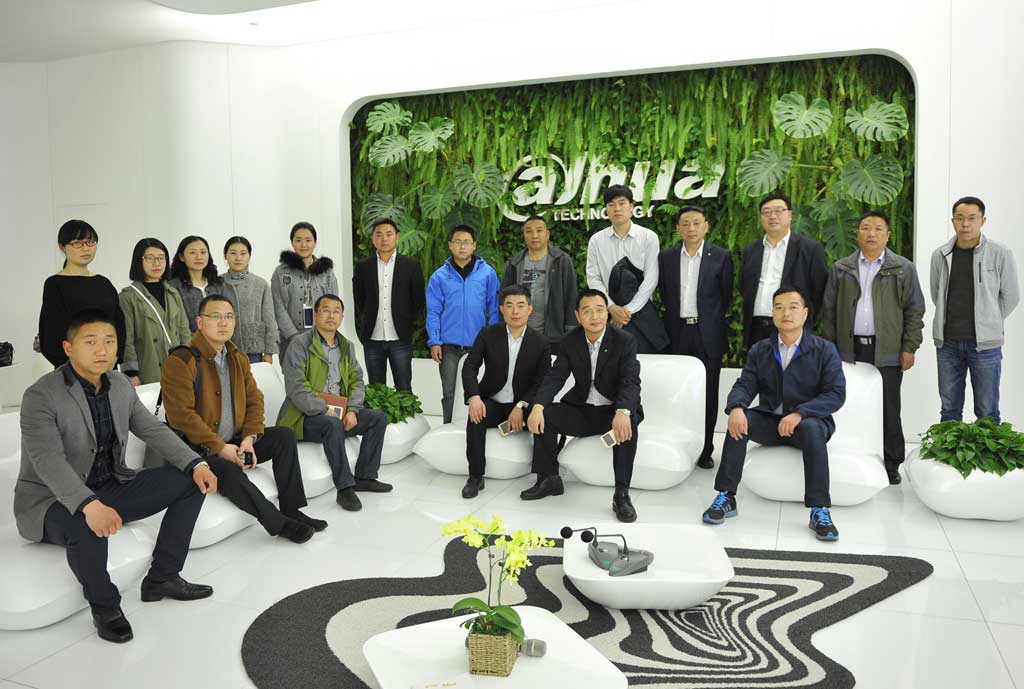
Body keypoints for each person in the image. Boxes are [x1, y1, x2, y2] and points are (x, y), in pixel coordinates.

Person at [15, 310, 218, 644]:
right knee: (84, 523)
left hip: (111, 485)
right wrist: (87, 504)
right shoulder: (41, 395)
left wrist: (195, 463)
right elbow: (47, 460)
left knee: (188, 481)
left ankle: (163, 577)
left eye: (109, 341)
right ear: (68, 348)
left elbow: (152, 429)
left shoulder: (120, 384)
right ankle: (106, 607)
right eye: (91, 342)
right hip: (50, 500)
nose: (102, 350)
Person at [160, 294, 327, 543]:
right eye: (215, 316)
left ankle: (292, 509)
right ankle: (279, 524)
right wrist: (220, 447)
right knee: (227, 470)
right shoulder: (181, 360)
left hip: (235, 440)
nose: (223, 322)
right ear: (200, 322)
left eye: (229, 317)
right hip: (197, 449)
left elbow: (254, 399)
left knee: (283, 436)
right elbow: (181, 416)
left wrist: (249, 438)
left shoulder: (237, 357)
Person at [702, 287, 846, 541]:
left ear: (805, 313)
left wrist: (800, 413)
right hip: (772, 421)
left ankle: (819, 509)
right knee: (740, 421)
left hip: (808, 424)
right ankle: (726, 496)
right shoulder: (761, 349)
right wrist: (736, 407)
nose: (786, 313)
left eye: (793, 307)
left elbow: (836, 393)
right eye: (779, 307)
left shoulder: (824, 350)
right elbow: (745, 384)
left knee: (812, 429)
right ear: (773, 313)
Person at [822, 211, 925, 484]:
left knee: (889, 408)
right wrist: (830, 350)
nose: (871, 233)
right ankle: (847, 456)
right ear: (857, 233)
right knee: (846, 404)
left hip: (887, 349)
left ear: (888, 235)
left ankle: (892, 463)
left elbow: (915, 310)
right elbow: (829, 311)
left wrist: (909, 347)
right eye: (866, 228)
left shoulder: (902, 268)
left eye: (878, 228)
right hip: (849, 349)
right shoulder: (842, 268)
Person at [526, 289, 643, 522]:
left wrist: (623, 411)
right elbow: (555, 377)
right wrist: (538, 406)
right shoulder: (570, 341)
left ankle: (621, 494)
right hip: (583, 409)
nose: (595, 316)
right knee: (544, 415)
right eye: (587, 311)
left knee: (627, 424)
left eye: (600, 310)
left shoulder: (624, 341)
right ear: (578, 316)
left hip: (612, 410)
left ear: (607, 314)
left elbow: (630, 381)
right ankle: (549, 478)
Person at [277, 294, 391, 512]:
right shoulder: (300, 344)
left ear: (342, 317)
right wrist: (323, 409)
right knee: (332, 424)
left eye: (336, 311)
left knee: (377, 418)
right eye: (326, 310)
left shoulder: (347, 346)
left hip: (339, 412)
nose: (331, 315)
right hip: (304, 416)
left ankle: (365, 477)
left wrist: (353, 410)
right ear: (315, 315)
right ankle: (345, 488)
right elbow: (296, 387)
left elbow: (357, 380)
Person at [930, 196, 1019, 424]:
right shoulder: (941, 255)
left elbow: (1011, 296)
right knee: (949, 410)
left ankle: (988, 449)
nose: (965, 224)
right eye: (960, 218)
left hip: (985, 346)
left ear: (983, 221)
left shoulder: (1000, 253)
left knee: (987, 412)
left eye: (972, 218)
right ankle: (949, 449)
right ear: (953, 221)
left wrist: (989, 320)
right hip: (947, 344)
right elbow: (936, 294)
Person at [657, 205, 734, 469]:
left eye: (696, 223)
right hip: (677, 333)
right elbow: (665, 293)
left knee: (708, 394)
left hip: (707, 334)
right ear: (678, 228)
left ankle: (706, 449)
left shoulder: (721, 257)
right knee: (677, 392)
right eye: (685, 224)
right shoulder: (666, 258)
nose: (691, 228)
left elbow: (725, 297)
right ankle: (679, 447)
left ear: (706, 226)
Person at [461, 285, 551, 498]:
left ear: (530, 309)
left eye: (521, 305)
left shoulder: (540, 342)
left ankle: (544, 478)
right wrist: (474, 397)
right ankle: (476, 476)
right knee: (475, 417)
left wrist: (521, 406)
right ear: (501, 309)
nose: (515, 311)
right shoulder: (488, 334)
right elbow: (469, 366)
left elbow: (541, 381)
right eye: (509, 306)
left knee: (546, 417)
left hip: (523, 404)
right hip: (493, 401)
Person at [426, 225, 500, 423]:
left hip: (478, 344)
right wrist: (435, 341)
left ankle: (476, 429)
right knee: (449, 392)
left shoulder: (487, 274)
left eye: (467, 242)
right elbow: (433, 311)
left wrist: (492, 340)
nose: (462, 246)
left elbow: (493, 308)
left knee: (478, 391)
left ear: (474, 245)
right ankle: (448, 427)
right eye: (457, 242)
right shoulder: (439, 276)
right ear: (450, 245)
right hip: (449, 346)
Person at [739, 194, 829, 349]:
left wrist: (805, 323)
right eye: (766, 212)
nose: (772, 216)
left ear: (790, 215)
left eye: (778, 211)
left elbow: (819, 291)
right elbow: (743, 286)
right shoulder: (751, 250)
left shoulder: (810, 249)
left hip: (794, 330)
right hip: (756, 329)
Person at [585, 185, 667, 354]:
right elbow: (593, 278)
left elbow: (651, 279)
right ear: (606, 209)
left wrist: (627, 311)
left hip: (642, 314)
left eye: (622, 203)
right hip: (608, 315)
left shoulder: (648, 237)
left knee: (644, 362)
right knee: (610, 362)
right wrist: (611, 307)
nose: (617, 208)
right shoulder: (596, 240)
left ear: (631, 206)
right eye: (611, 204)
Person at [38, 219, 126, 368]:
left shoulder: (103, 283)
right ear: (62, 247)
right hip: (72, 369)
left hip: (107, 365)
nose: (85, 248)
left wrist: (115, 358)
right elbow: (51, 333)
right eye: (77, 243)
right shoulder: (55, 284)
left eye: (90, 242)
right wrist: (75, 368)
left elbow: (119, 324)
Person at [352, 218, 426, 392]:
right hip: (373, 338)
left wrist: (407, 321)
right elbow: (359, 299)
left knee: (404, 389)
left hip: (400, 338)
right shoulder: (363, 266)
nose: (384, 238)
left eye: (388, 234)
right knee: (376, 390)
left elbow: (418, 301)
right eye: (379, 234)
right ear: (373, 239)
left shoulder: (411, 266)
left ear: (397, 237)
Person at [500, 215, 578, 355]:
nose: (534, 235)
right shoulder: (514, 263)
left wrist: (571, 330)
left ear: (547, 234)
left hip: (553, 335)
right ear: (524, 235)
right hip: (519, 334)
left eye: (539, 230)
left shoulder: (561, 260)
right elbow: (503, 298)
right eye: (529, 231)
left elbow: (571, 295)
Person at [119, 238, 192, 385]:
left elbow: (184, 330)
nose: (156, 263)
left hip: (178, 367)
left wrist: (191, 362)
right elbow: (127, 339)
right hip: (148, 368)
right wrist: (131, 373)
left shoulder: (172, 292)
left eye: (161, 258)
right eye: (150, 258)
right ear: (139, 261)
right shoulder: (128, 296)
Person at [271, 221, 339, 360]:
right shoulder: (281, 272)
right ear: (292, 242)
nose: (303, 245)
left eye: (308, 240)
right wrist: (294, 336)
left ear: (315, 242)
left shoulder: (326, 272)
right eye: (298, 240)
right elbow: (278, 307)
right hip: (290, 340)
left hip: (320, 339)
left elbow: (332, 306)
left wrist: (321, 334)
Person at [222, 236, 279, 364]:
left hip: (253, 350)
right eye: (233, 253)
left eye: (243, 253)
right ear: (225, 256)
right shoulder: (218, 283)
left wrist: (269, 352)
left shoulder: (260, 284)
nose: (238, 258)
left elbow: (269, 319)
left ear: (249, 256)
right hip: (223, 348)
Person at [167, 235, 238, 333]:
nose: (199, 257)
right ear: (181, 257)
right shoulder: (173, 287)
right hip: (190, 341)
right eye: (192, 252)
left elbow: (230, 315)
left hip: (220, 339)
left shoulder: (219, 284)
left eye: (203, 252)